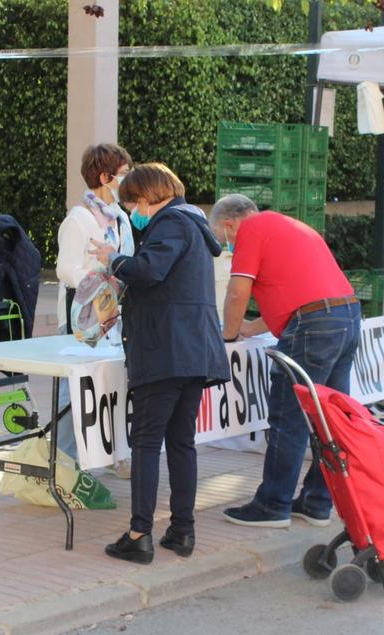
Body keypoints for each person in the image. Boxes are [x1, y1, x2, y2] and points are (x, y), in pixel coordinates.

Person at [89, 163, 229, 563]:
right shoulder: (193, 224)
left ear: (148, 198)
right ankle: (182, 530)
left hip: (166, 351)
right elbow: (165, 284)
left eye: (132, 202)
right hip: (194, 350)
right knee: (181, 441)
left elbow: (150, 270)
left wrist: (113, 259)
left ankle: (139, 534)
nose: (132, 210)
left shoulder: (170, 223)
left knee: (147, 442)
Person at [211, 194, 362, 529]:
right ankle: (317, 501)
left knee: (289, 415)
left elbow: (238, 292)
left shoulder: (250, 230)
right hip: (345, 315)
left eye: (225, 240)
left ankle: (273, 504)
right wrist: (251, 327)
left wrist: (228, 336)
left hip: (315, 324)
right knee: (329, 416)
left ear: (229, 224)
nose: (229, 246)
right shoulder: (287, 226)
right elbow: (299, 292)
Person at [54, 143, 134, 478]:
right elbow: (66, 269)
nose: (128, 182)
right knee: (73, 394)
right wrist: (103, 278)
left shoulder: (122, 219)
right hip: (82, 320)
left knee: (114, 385)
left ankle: (114, 453)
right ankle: (63, 462)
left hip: (113, 318)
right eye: (124, 175)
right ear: (104, 177)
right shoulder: (79, 218)